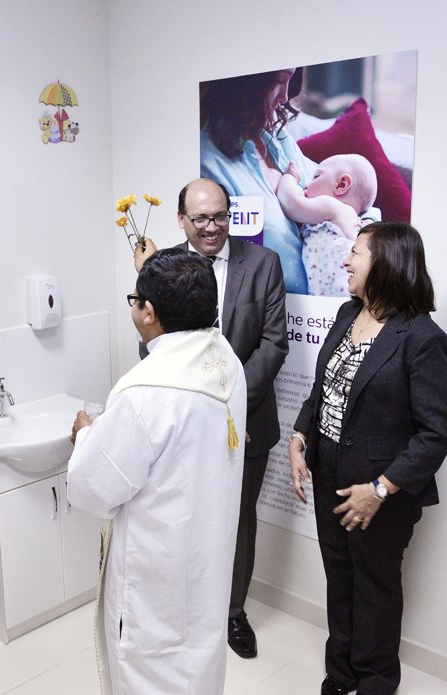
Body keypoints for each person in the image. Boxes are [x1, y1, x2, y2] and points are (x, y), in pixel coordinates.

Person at [68, 247, 247, 695]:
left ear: (148, 312)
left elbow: (94, 487)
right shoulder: (224, 360)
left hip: (156, 571)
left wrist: (87, 436)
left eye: (135, 301)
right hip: (206, 556)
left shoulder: (145, 389)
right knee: (198, 659)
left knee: (150, 667)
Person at [287, 222, 447, 695]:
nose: (345, 260)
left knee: (375, 587)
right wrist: (300, 436)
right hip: (330, 476)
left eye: (356, 252)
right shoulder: (347, 313)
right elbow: (324, 388)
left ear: (386, 264)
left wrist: (380, 489)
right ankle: (341, 673)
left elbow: (435, 435)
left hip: (381, 492)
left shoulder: (421, 338)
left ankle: (377, 679)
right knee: (339, 578)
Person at [135, 178, 288, 659]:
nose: (212, 227)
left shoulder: (262, 263)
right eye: (200, 218)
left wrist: (229, 403)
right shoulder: (162, 267)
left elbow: (273, 344)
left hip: (247, 423)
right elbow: (150, 341)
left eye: (220, 216)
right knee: (182, 515)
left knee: (239, 520)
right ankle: (188, 607)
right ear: (180, 219)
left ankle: (233, 612)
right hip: (180, 423)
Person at [200, 68, 318, 294]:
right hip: (278, 309)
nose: (285, 97)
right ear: (248, 85)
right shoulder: (210, 167)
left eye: (290, 81)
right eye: (279, 81)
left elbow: (346, 191)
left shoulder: (274, 135)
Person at [275, 154, 378, 296]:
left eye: (316, 177)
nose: (306, 185)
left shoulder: (334, 207)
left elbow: (291, 202)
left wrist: (290, 178)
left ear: (341, 185)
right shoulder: (353, 221)